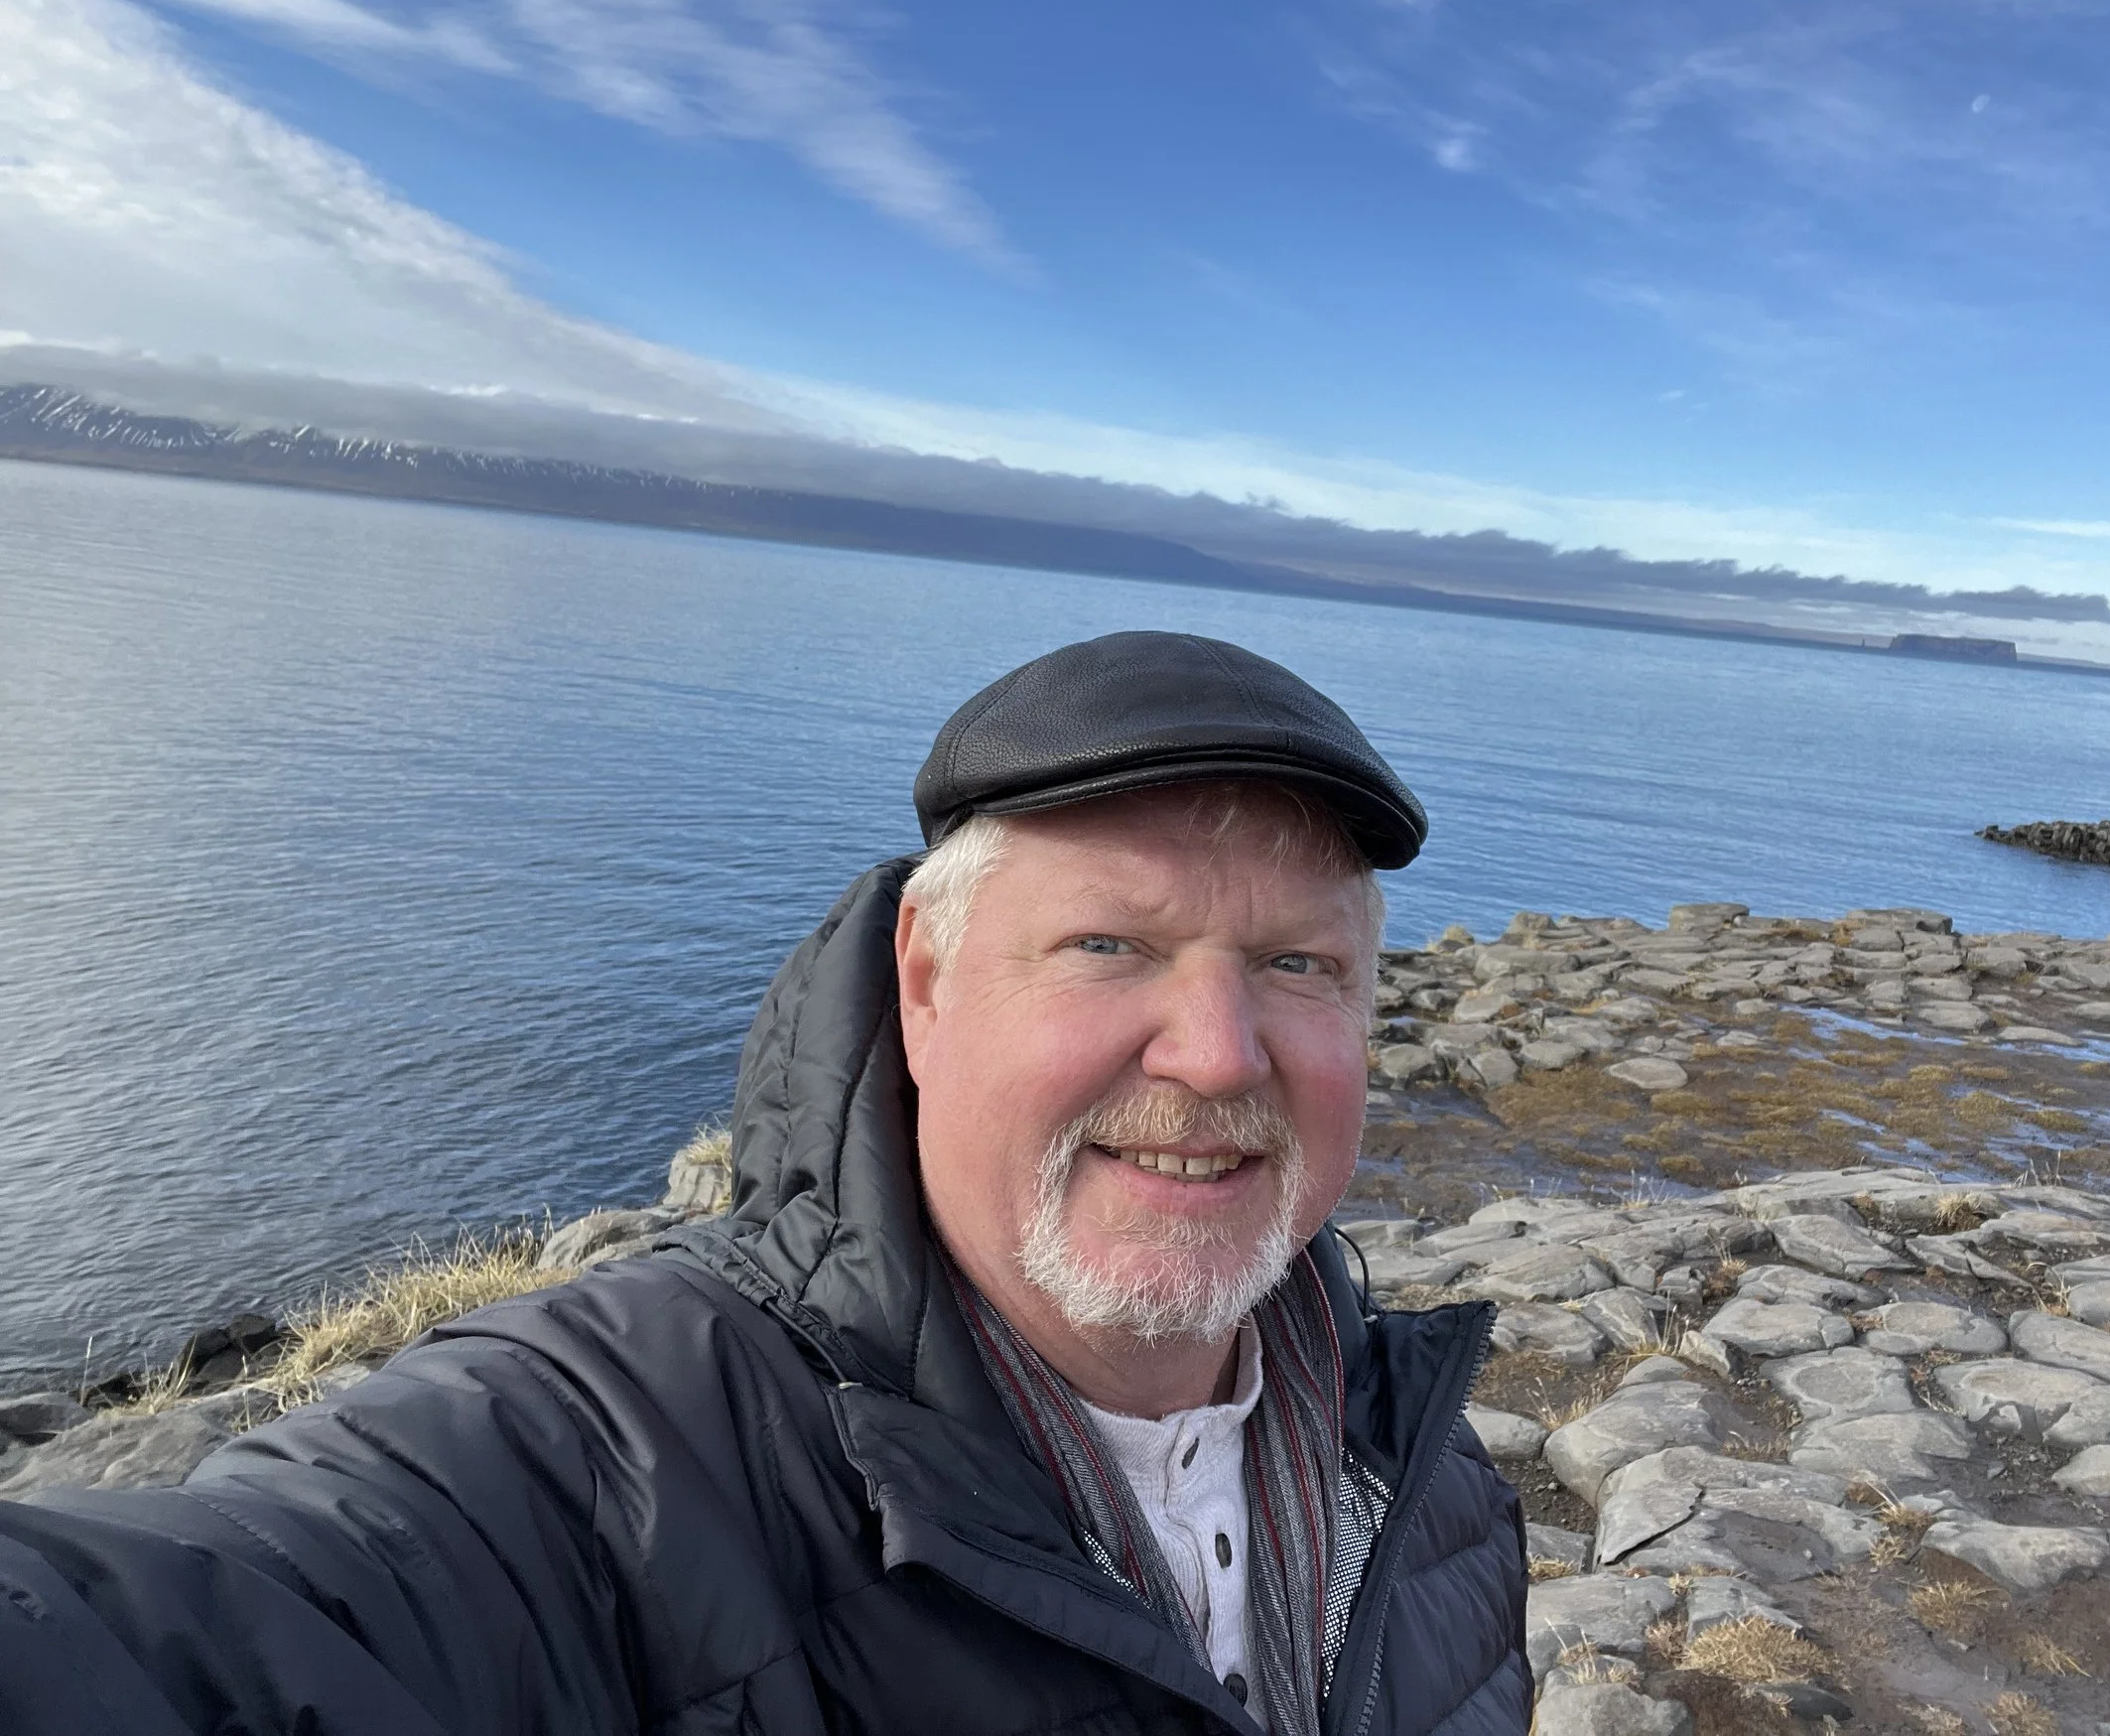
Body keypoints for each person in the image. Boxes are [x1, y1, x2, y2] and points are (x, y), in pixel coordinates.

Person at [0, 631, 1528, 1736]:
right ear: (925, 986)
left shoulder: (1430, 1484)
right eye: (1109, 945)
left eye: (1297, 964)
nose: (1214, 1051)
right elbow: (215, 1627)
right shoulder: (608, 1458)